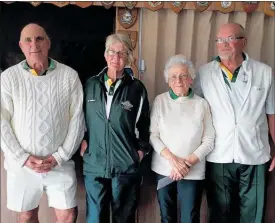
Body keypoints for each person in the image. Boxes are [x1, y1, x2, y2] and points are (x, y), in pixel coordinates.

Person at [1, 23, 85, 223]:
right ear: (21, 46)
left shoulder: (69, 76)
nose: (34, 44)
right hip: (22, 165)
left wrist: (59, 157)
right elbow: (1, 122)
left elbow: (77, 120)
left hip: (59, 163)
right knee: (27, 216)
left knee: (68, 215)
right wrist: (22, 157)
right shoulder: (8, 78)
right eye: (28, 40)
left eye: (39, 39)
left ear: (48, 43)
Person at [194, 23, 275, 223]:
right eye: (220, 40)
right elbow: (194, 112)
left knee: (253, 214)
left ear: (243, 42)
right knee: (221, 213)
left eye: (230, 39)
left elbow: (272, 113)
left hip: (255, 154)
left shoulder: (264, 72)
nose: (224, 44)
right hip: (218, 154)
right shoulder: (204, 73)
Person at [81, 33, 150, 223]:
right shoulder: (90, 85)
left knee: (124, 218)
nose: (116, 58)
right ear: (105, 54)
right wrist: (83, 139)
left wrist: (141, 150)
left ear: (128, 58)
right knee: (95, 218)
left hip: (125, 165)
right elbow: (79, 117)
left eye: (122, 53)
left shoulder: (137, 88)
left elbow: (144, 123)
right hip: (95, 164)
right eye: (112, 52)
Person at [150, 54, 215, 223]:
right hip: (164, 170)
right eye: (173, 76)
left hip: (192, 172)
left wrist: (186, 164)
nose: (178, 80)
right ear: (168, 80)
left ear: (191, 79)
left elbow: (209, 140)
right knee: (167, 217)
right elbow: (153, 135)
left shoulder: (202, 104)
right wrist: (173, 161)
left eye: (183, 76)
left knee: (190, 218)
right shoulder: (160, 101)